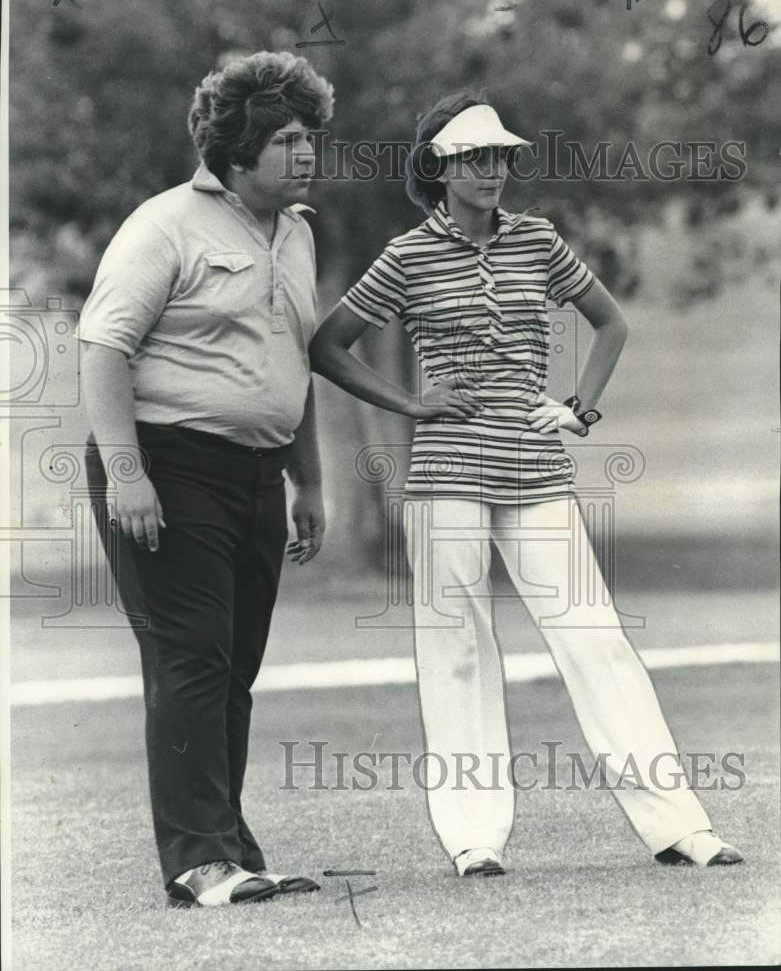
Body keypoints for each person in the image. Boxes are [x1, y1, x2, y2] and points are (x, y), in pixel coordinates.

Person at [309, 92, 744, 878]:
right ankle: (474, 837)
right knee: (457, 650)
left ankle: (680, 827)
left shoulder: (537, 240)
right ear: (438, 166)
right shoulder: (406, 255)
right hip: (445, 475)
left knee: (596, 639)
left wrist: (577, 409)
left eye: (502, 156)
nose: (493, 170)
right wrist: (410, 403)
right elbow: (328, 345)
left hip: (535, 467)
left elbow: (610, 323)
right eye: (475, 158)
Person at [78, 51, 332, 907]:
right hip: (165, 464)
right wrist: (126, 474)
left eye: (309, 137)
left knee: (233, 668)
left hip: (259, 472)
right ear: (236, 149)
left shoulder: (297, 231)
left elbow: (292, 365)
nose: (305, 153)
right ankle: (199, 862)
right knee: (191, 659)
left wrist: (312, 484)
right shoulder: (163, 226)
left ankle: (229, 846)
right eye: (286, 139)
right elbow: (102, 348)